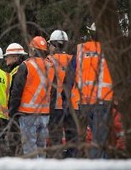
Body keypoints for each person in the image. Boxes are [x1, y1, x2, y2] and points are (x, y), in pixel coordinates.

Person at [64, 23, 113, 159]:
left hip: (83, 102)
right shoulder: (110, 50)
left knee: (89, 139)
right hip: (103, 101)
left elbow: (69, 77)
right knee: (100, 140)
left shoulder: (81, 50)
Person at [8, 36, 54, 158]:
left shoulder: (26, 66)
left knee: (30, 152)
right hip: (44, 115)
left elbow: (16, 91)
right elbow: (52, 91)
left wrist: (12, 112)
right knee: (41, 151)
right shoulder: (50, 67)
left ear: (32, 50)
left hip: (28, 115)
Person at [46, 30, 79, 158]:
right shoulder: (73, 59)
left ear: (54, 44)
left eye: (50, 44)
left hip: (56, 105)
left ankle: (56, 165)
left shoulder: (49, 61)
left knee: (55, 140)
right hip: (73, 105)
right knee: (72, 139)